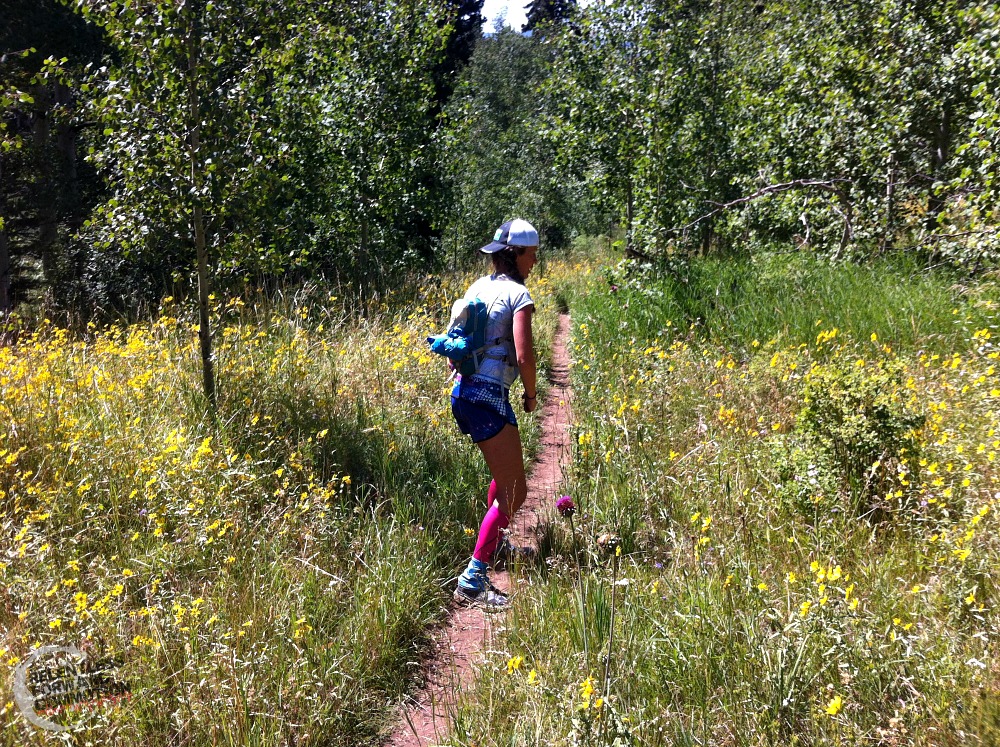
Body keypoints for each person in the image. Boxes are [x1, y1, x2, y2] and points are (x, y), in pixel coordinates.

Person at [451, 218, 539, 612]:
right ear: (517, 254)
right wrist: (532, 393)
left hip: (464, 392)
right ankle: (472, 580)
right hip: (489, 398)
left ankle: (497, 541)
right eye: (533, 255)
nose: (535, 262)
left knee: (502, 476)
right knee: (515, 491)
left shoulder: (478, 288)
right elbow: (524, 354)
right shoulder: (519, 295)